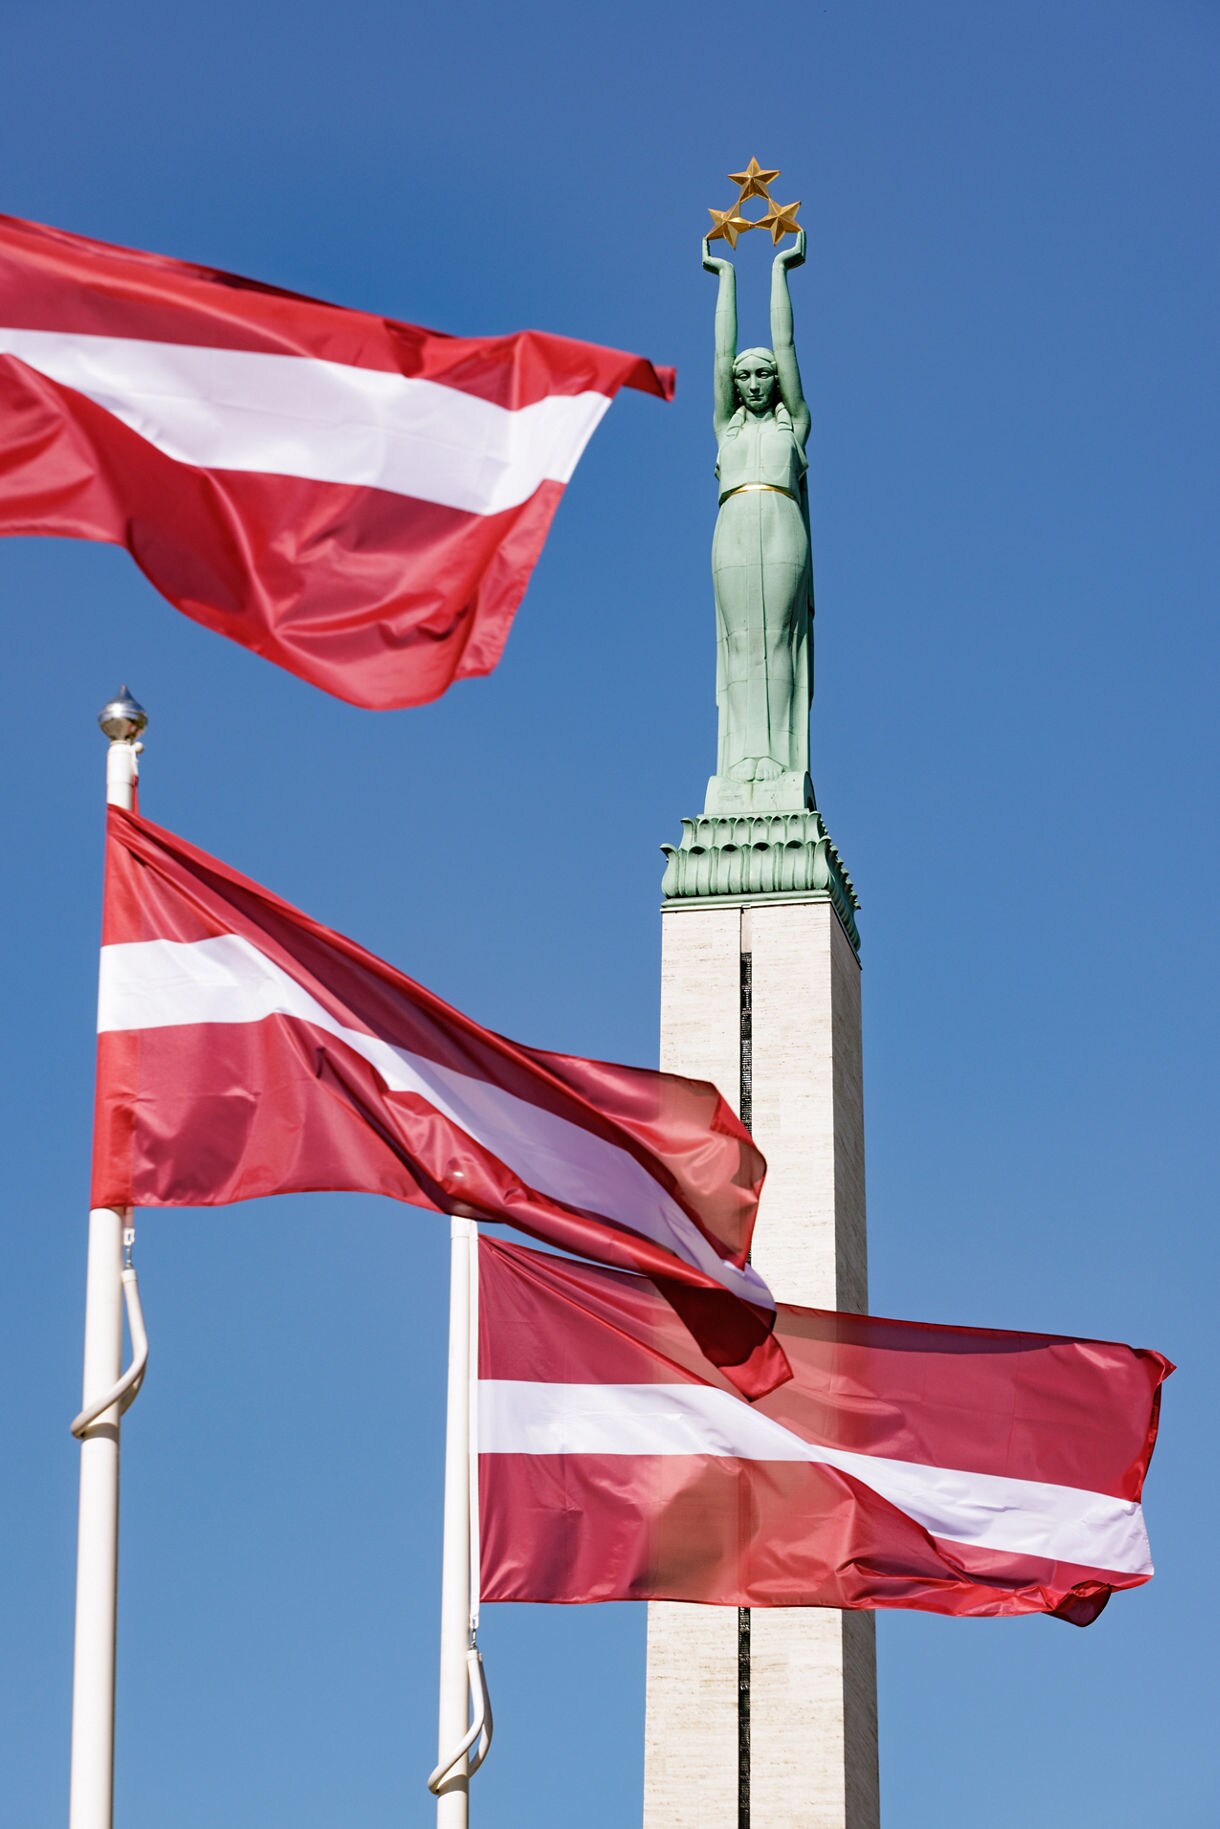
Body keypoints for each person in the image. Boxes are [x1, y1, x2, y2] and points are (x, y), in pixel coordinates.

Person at [703, 227, 813, 788]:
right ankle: (742, 757)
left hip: (781, 523)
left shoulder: (794, 426)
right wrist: (725, 278)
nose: (751, 382)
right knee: (741, 641)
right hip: (734, 524)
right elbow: (721, 352)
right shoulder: (726, 429)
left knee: (776, 638)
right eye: (743, 376)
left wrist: (778, 272)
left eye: (762, 373)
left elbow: (787, 345)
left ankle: (774, 756)